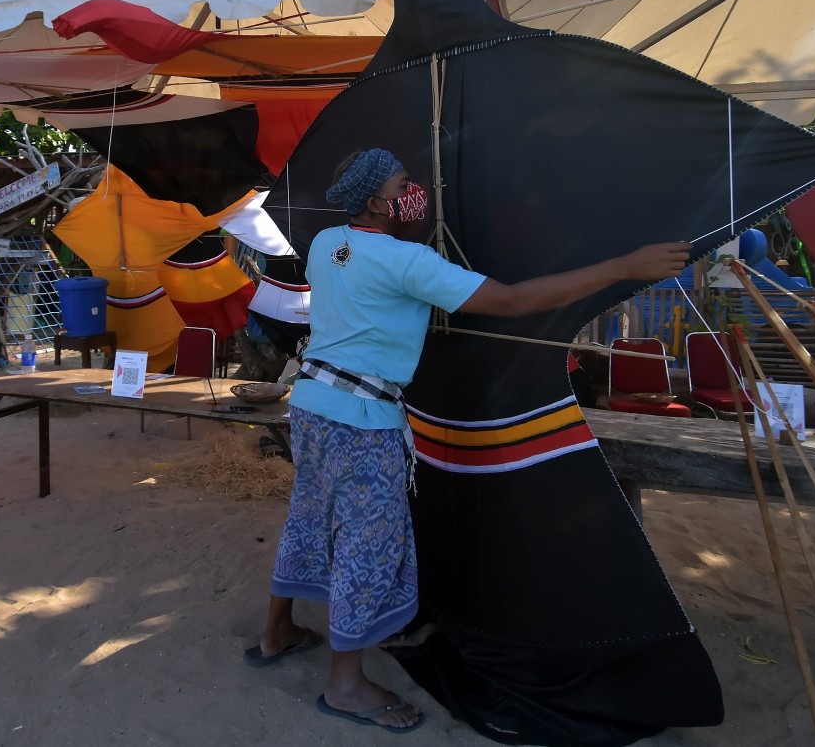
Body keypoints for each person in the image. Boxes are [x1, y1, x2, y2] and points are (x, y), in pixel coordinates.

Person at [245, 148, 691, 733]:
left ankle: (277, 632)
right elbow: (509, 300)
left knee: (308, 515)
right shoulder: (407, 260)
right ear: (378, 200)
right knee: (365, 542)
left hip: (311, 407)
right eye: (404, 184)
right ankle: (346, 683)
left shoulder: (330, 243)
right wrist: (621, 268)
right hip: (360, 420)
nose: (416, 193)